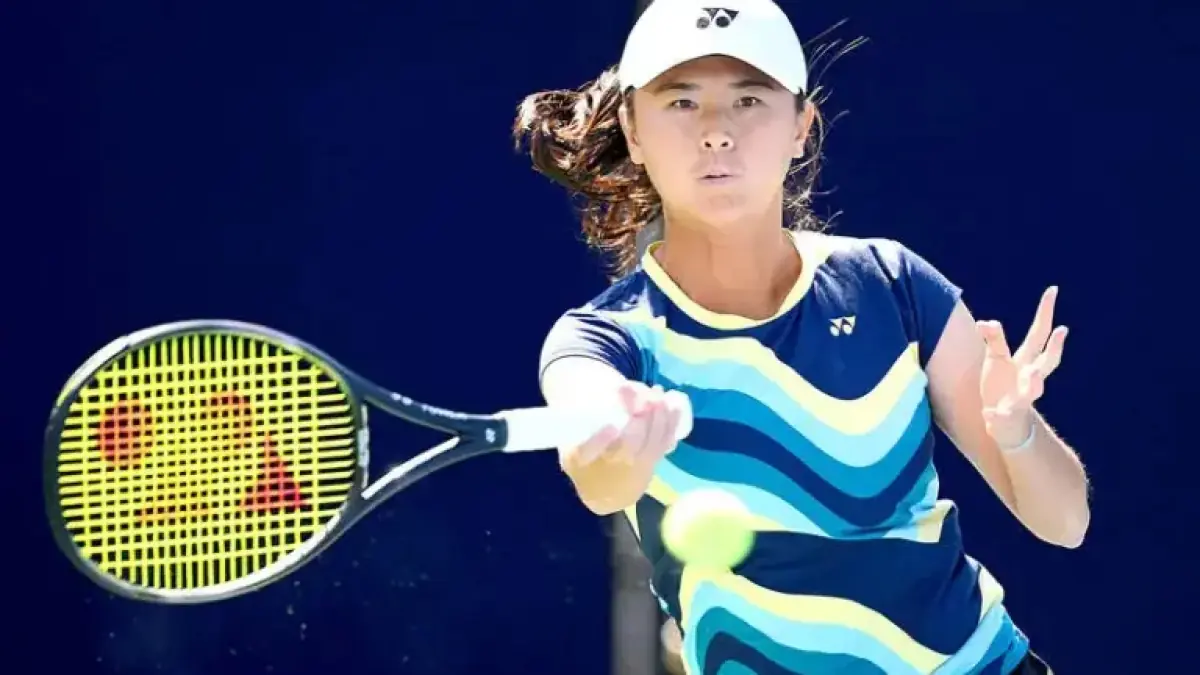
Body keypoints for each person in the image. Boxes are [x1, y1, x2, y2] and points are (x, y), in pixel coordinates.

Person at [513, 0, 1090, 672]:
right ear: (633, 131)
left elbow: (1065, 523)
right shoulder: (604, 339)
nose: (716, 132)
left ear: (800, 127)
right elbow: (600, 478)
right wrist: (616, 439)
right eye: (682, 102)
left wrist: (1016, 431)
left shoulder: (893, 284)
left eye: (749, 100)